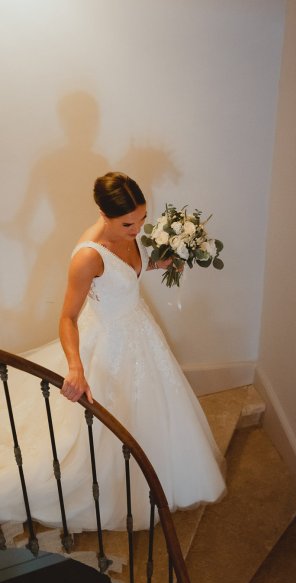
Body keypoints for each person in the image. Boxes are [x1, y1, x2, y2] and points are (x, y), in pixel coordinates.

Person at [0, 172, 225, 531]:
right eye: (128, 223)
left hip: (141, 332)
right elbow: (67, 318)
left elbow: (128, 270)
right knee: (106, 427)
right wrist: (75, 367)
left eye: (142, 219)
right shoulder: (87, 257)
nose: (137, 229)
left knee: (157, 409)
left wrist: (158, 262)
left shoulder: (129, 235)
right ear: (104, 215)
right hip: (110, 345)